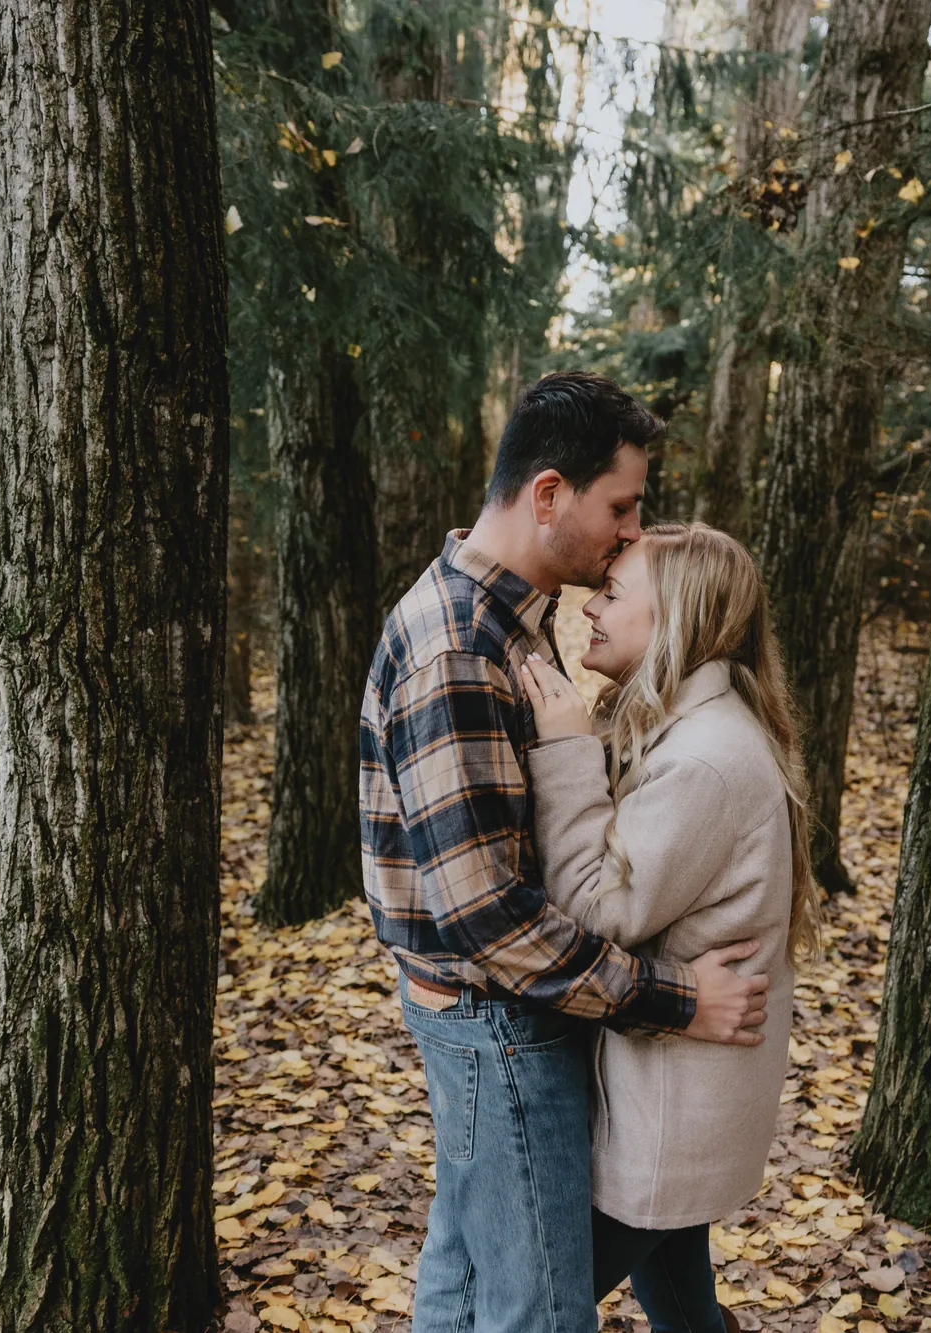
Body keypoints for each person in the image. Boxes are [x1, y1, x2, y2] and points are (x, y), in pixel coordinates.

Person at [359, 373, 772, 1333]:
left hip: (517, 1013)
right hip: (502, 1020)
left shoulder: (506, 617)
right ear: (549, 494)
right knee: (537, 1310)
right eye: (621, 507)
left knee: (467, 1292)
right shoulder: (460, 648)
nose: (634, 533)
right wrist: (678, 1000)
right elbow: (487, 918)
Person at [518, 523, 816, 1333]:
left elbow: (597, 907)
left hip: (667, 1110)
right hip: (674, 1093)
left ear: (676, 617)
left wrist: (566, 754)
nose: (593, 604)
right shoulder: (693, 728)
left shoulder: (705, 759)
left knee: (534, 1306)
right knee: (683, 1302)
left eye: (615, 593)